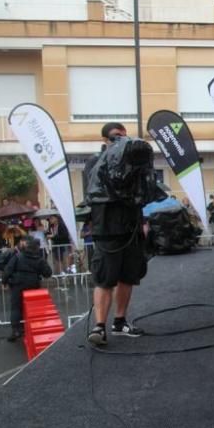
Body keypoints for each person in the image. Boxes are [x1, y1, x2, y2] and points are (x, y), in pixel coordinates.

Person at [84, 122, 163, 345]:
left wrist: (143, 221)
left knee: (128, 276)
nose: (121, 141)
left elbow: (144, 191)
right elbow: (93, 196)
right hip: (107, 228)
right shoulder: (95, 163)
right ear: (105, 141)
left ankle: (120, 321)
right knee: (105, 278)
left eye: (124, 137)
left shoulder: (133, 162)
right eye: (116, 137)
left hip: (131, 226)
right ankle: (99, 327)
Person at [1, 237, 52, 342]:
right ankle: (36, 327)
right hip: (33, 284)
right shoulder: (39, 259)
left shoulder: (18, 257)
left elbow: (8, 270)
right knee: (34, 307)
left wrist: (4, 282)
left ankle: (16, 330)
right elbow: (48, 273)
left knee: (16, 307)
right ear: (37, 248)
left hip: (17, 283)